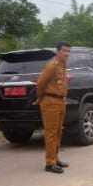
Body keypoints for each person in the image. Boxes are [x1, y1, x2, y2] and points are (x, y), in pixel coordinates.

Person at [34, 42, 71, 174]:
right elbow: (41, 83)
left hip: (60, 101)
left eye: (68, 51)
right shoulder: (52, 66)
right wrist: (39, 98)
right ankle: (50, 163)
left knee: (58, 131)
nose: (67, 54)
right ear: (58, 51)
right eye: (64, 51)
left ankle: (55, 158)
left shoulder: (63, 65)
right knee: (51, 133)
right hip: (50, 101)